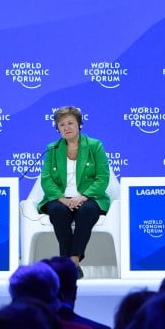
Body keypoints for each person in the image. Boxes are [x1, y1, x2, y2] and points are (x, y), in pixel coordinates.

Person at [38, 106, 111, 278]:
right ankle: (69, 265)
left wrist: (83, 196)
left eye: (70, 123)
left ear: (79, 125)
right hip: (60, 198)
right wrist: (61, 198)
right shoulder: (53, 148)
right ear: (58, 129)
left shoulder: (95, 146)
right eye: (61, 124)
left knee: (86, 211)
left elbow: (103, 177)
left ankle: (72, 262)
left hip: (89, 197)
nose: (66, 127)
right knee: (56, 210)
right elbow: (46, 179)